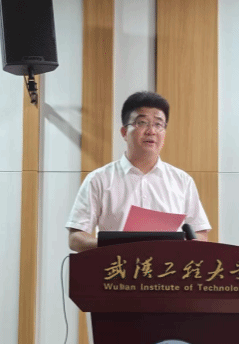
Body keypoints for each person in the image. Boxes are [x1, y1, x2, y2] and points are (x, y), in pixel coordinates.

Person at [66, 91, 211, 252]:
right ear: (124, 133)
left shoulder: (182, 181)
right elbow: (76, 238)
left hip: (168, 265)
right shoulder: (99, 179)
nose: (151, 131)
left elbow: (200, 232)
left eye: (158, 124)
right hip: (117, 264)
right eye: (142, 123)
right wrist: (117, 246)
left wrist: (183, 246)